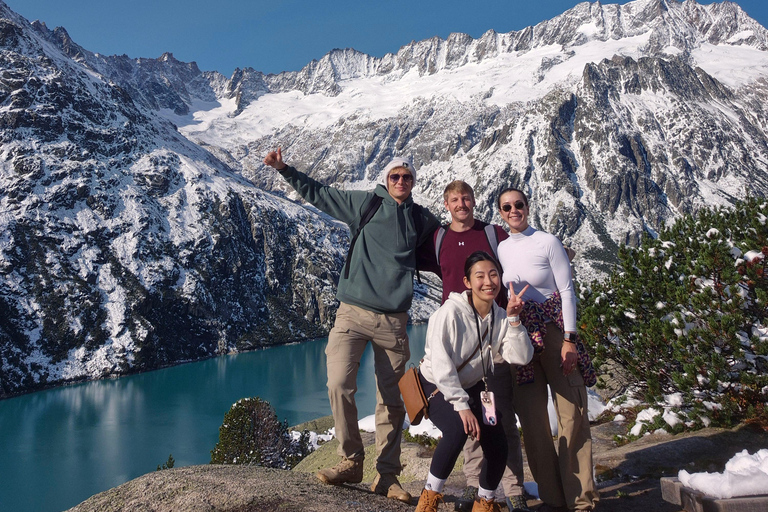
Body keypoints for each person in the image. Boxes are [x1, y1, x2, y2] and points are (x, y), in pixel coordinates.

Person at [263, 148, 440, 503]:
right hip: (352, 313)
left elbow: (453, 246)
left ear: (414, 182)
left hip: (394, 321)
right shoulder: (365, 204)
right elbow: (321, 194)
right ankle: (350, 460)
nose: (401, 182)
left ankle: (387, 476)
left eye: (407, 177)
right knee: (338, 383)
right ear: (385, 179)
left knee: (392, 400)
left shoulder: (422, 220)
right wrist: (285, 170)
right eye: (395, 176)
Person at [417, 181, 530, 512]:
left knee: (497, 433)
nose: (488, 281)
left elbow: (518, 355)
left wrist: (513, 320)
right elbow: (440, 365)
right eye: (480, 276)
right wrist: (462, 405)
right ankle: (430, 497)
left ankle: (487, 499)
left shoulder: (498, 313)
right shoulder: (448, 314)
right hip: (441, 386)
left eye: (493, 275)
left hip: (477, 384)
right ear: (467, 282)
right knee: (457, 429)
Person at [495, 188, 599, 512]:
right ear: (500, 213)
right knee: (532, 420)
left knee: (573, 415)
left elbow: (567, 291)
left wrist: (570, 339)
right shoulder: (501, 249)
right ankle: (553, 499)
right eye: (507, 207)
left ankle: (580, 501)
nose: (514, 210)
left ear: (528, 207)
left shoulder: (547, 242)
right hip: (522, 337)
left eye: (519, 205)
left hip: (555, 334)